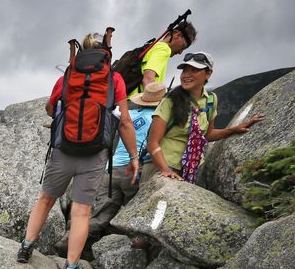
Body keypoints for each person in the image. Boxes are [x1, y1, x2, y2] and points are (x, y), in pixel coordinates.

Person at [17, 32, 139, 269]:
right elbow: (125, 121)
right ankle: (70, 268)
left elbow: (51, 108)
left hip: (64, 149)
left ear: (82, 52)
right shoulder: (113, 78)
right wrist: (134, 155)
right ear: (105, 53)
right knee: (81, 212)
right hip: (95, 154)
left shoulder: (69, 75)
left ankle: (26, 247)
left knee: (46, 198)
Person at [141, 51, 265, 186]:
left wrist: (233, 129)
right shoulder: (170, 100)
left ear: (208, 73)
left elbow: (207, 134)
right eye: (185, 70)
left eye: (194, 70)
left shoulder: (211, 100)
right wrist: (165, 170)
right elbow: (153, 142)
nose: (186, 75)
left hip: (191, 169)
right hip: (160, 166)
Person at [86, 81, 167, 247]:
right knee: (134, 209)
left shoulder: (130, 115)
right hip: (133, 170)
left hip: (111, 169)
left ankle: (70, 242)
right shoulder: (156, 120)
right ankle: (137, 243)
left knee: (100, 215)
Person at [132, 23, 196, 95]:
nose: (180, 52)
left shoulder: (154, 46)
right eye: (183, 46)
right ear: (177, 35)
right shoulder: (164, 49)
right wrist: (160, 104)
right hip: (139, 103)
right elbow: (148, 79)